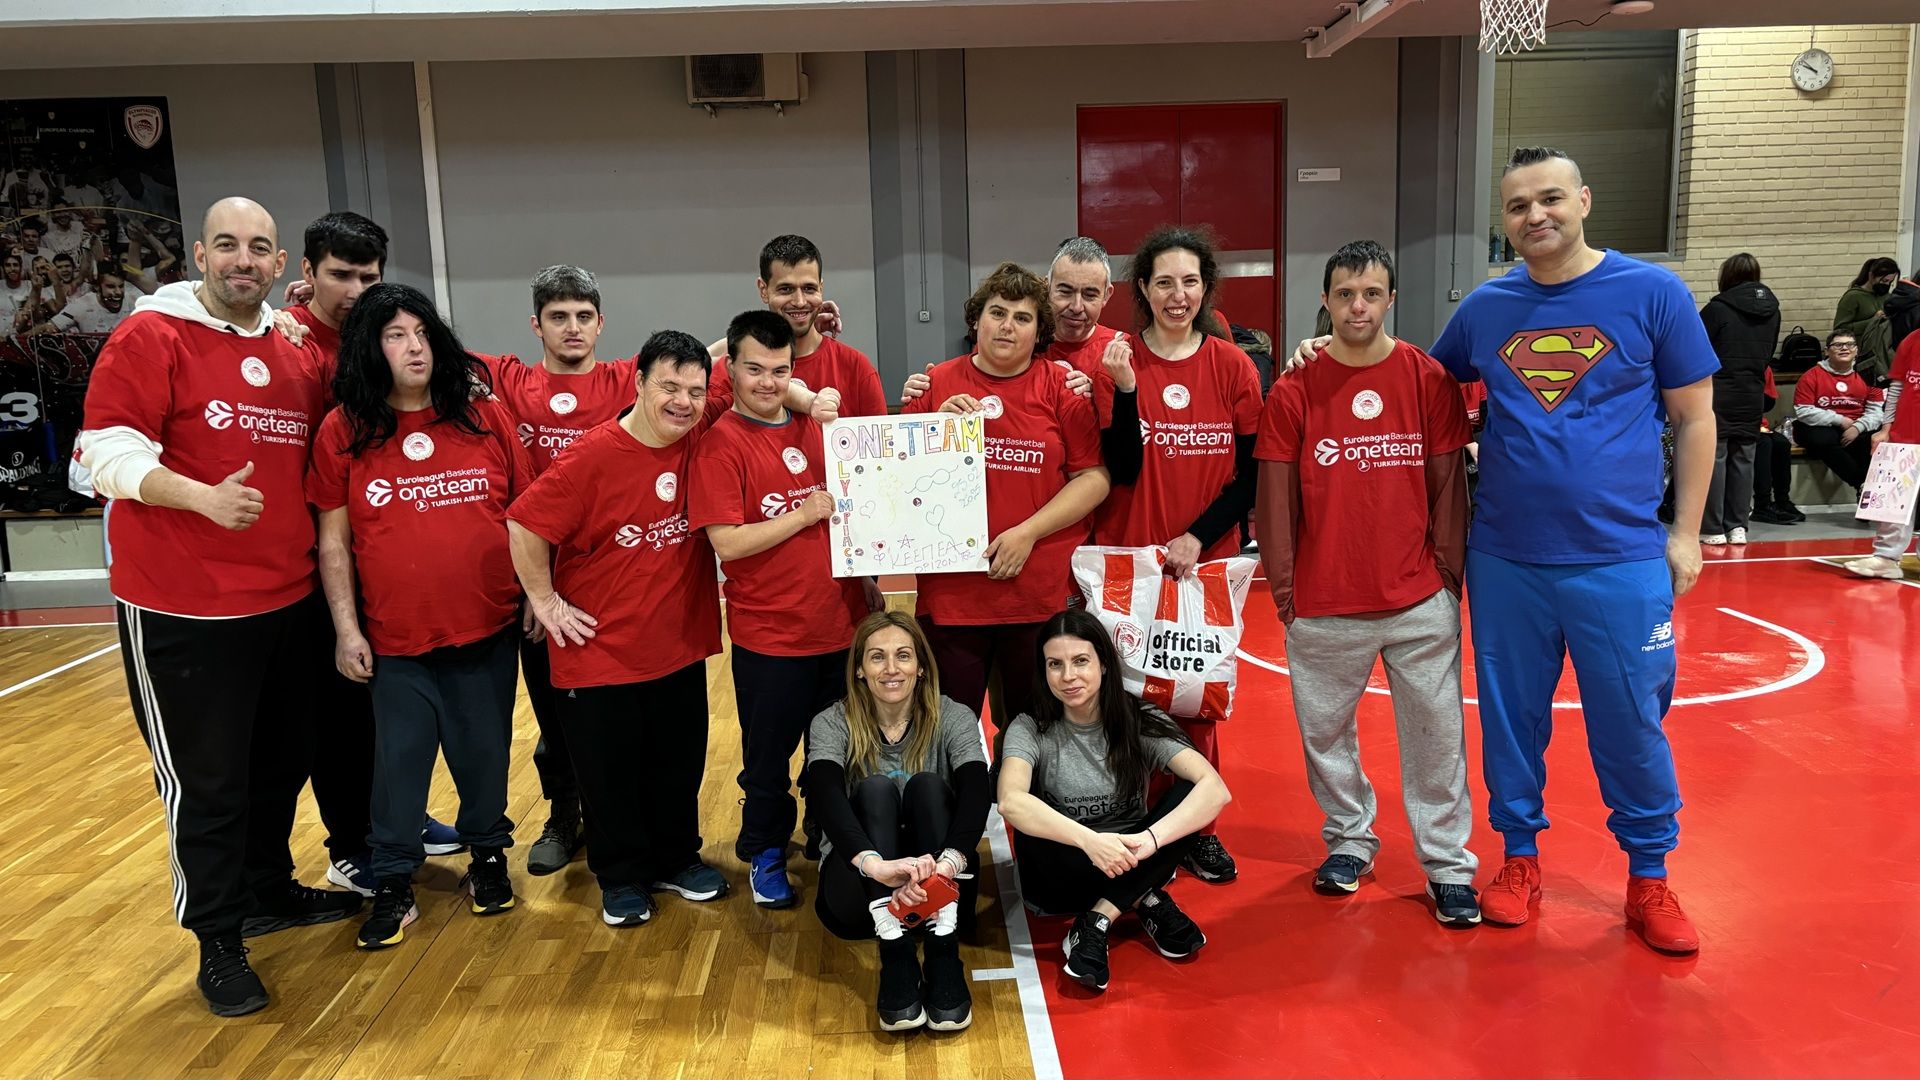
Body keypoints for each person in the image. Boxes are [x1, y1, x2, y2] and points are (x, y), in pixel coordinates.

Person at [1290, 146, 1718, 954]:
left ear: (1583, 200)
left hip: (1620, 556)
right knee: (1511, 723)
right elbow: (1408, 376)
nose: (1535, 216)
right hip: (1507, 557)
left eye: (1550, 198)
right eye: (1518, 206)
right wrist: (1322, 351)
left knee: (1632, 721)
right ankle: (1518, 859)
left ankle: (1649, 875)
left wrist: (1686, 533)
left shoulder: (1653, 293)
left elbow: (1696, 418)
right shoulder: (1489, 308)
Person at [76, 196, 362, 1017]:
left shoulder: (292, 348)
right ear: (200, 255)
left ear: (280, 265)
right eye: (228, 244)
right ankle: (218, 936)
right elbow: (102, 454)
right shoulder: (152, 335)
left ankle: (268, 890)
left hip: (287, 600)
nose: (244, 259)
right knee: (206, 782)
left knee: (280, 762)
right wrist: (199, 497)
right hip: (184, 608)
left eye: (259, 247)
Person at [1253, 241, 1481, 926]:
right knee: (1325, 738)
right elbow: (1275, 500)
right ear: (1325, 300)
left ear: (1390, 300)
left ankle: (1448, 865)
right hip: (1324, 604)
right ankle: (1349, 840)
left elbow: (1448, 487)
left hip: (1418, 600)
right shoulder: (1295, 388)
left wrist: (1446, 581)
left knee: (1438, 739)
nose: (1359, 307)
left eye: (1372, 294)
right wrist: (1288, 595)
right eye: (1346, 294)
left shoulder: (1426, 378)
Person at [306, 284, 531, 947]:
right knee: (398, 767)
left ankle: (487, 857)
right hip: (395, 640)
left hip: (487, 628)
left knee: (484, 755)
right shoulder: (343, 429)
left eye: (423, 333)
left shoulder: (484, 417)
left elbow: (527, 514)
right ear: (369, 348)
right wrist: (346, 629)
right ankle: (394, 880)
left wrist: (536, 595)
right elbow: (333, 542)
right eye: (395, 335)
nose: (414, 348)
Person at [507, 330, 732, 927]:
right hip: (600, 653)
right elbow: (524, 525)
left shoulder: (700, 430)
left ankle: (677, 859)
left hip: (677, 645)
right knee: (609, 777)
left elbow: (748, 361)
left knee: (678, 765)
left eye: (695, 390)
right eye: (668, 387)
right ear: (637, 383)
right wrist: (545, 601)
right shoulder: (590, 457)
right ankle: (622, 876)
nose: (683, 402)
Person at [1089, 225, 1261, 886]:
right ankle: (1135, 821)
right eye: (1164, 281)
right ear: (1143, 289)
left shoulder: (1233, 366)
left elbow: (1249, 475)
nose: (1177, 294)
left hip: (1203, 561)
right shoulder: (1118, 361)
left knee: (1197, 699)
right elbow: (1122, 469)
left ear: (1206, 287)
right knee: (1128, 698)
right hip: (1129, 561)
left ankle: (1198, 830)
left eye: (1190, 281)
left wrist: (1197, 535)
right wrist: (1126, 389)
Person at [689, 309, 872, 909]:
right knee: (766, 762)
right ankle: (765, 850)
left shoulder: (818, 429)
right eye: (754, 370)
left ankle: (827, 833)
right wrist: (802, 514)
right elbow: (727, 543)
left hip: (838, 626)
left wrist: (868, 581)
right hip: (771, 638)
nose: (767, 382)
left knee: (835, 751)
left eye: (779, 370)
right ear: (730, 370)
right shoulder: (719, 446)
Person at [902, 262, 1110, 741]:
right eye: (997, 313)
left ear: (1039, 331)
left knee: (1033, 733)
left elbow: (1093, 479)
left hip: (1037, 594)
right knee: (945, 734)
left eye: (1022, 317)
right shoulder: (935, 386)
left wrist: (1027, 533)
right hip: (952, 597)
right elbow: (899, 484)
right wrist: (933, 430)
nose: (1007, 326)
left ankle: (1022, 796)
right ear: (976, 320)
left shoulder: (1061, 388)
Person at [998, 609, 1230, 993]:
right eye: (1055, 664)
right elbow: (1010, 801)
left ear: (1104, 664)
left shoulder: (1138, 717)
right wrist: (1091, 842)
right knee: (1031, 813)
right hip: (1063, 868)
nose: (1068, 676)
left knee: (1192, 795)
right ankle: (1144, 898)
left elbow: (1214, 789)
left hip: (1133, 855)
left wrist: (1149, 842)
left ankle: (1096, 920)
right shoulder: (1030, 725)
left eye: (1080, 661)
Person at [803, 612, 991, 1031]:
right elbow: (825, 796)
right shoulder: (831, 721)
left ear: (921, 666)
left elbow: (977, 793)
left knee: (927, 787)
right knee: (874, 790)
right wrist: (877, 866)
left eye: (903, 656)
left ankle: (943, 953)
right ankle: (895, 952)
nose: (891, 668)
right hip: (861, 893)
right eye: (877, 657)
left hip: (939, 890)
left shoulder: (953, 716)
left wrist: (948, 865)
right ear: (859, 668)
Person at [708, 235, 887, 420]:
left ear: (821, 288)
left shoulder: (857, 368)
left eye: (809, 288)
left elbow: (882, 438)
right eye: (786, 289)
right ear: (763, 290)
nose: (800, 302)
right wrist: (746, 340)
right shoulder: (736, 371)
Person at [1699, 253, 1780, 546]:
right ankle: (1738, 527)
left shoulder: (1716, 309)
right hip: (1752, 391)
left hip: (1717, 392)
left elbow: (1697, 351)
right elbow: (1768, 354)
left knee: (1714, 457)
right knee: (1744, 458)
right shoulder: (1773, 311)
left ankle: (1712, 528)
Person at [1848, 330, 1919, 579]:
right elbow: (1897, 388)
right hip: (1905, 434)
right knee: (1893, 501)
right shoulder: (1911, 340)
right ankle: (1886, 557)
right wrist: (1886, 428)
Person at [1792, 330, 1884, 489]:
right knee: (1823, 439)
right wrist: (1840, 420)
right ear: (1827, 351)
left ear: (1856, 350)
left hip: (1856, 426)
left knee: (1874, 439)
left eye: (1850, 344)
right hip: (1821, 426)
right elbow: (1803, 411)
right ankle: (1862, 484)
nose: (1845, 348)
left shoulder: (1868, 375)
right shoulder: (1811, 376)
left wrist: (1858, 427)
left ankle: (1873, 492)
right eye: (1838, 345)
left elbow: (1876, 411)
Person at [1750, 367, 1805, 525]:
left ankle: (1782, 501)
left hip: (1758, 423)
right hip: (1733, 424)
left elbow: (1769, 403)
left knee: (1781, 443)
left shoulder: (1763, 366)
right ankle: (1762, 504)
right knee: (1764, 444)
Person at [1835, 258, 1900, 382]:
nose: (1886, 285)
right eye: (1884, 281)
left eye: (1890, 282)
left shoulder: (1887, 297)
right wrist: (1873, 320)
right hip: (1859, 356)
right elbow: (1840, 329)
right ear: (1871, 276)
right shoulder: (1853, 296)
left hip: (1882, 356)